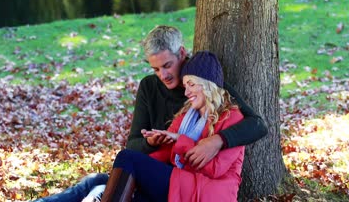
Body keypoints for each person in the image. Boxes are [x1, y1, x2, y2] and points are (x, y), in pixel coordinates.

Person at [35, 25, 267, 201]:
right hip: (169, 169)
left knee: (114, 178)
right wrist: (153, 143)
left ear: (182, 54)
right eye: (155, 69)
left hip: (192, 182)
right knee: (100, 181)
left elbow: (256, 125)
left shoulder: (208, 84)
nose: (163, 75)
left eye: (167, 66)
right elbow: (134, 143)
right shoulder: (160, 93)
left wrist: (217, 141)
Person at [101, 51, 245, 202]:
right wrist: (145, 157)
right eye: (185, 85)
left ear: (208, 84)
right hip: (183, 183)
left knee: (126, 157)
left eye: (191, 84)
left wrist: (180, 140)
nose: (186, 92)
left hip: (208, 192)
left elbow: (215, 169)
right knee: (136, 196)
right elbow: (165, 154)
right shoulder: (186, 116)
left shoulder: (232, 117)